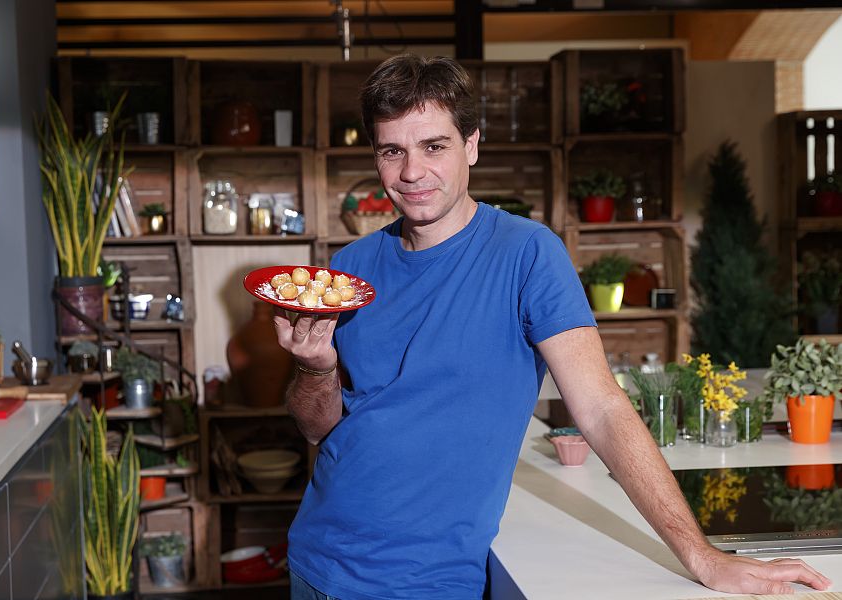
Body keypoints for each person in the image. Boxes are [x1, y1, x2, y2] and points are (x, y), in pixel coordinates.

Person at [272, 54, 831, 600]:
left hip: (429, 578)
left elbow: (602, 408)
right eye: (392, 151)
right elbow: (318, 429)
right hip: (318, 558)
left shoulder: (527, 254)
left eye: (434, 146)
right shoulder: (348, 270)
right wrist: (312, 365)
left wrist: (701, 555)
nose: (412, 172)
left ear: (471, 145)